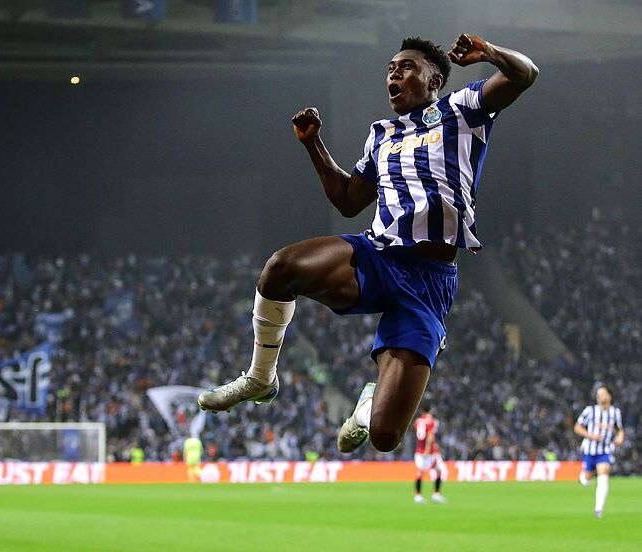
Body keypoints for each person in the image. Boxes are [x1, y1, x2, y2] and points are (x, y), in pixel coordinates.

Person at [198, 33, 538, 456]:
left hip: (428, 283)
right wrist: (313, 145)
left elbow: (525, 74)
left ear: (434, 80)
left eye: (406, 67)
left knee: (384, 436)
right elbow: (348, 201)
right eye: (390, 69)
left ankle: (366, 407)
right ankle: (260, 377)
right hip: (377, 255)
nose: (394, 74)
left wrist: (488, 53)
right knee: (280, 268)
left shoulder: (462, 108)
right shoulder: (381, 135)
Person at [574, 385, 623, 518]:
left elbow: (619, 429)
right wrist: (590, 435)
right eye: (598, 394)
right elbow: (577, 427)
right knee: (587, 477)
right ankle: (583, 478)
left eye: (602, 394)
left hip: (605, 450)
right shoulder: (590, 411)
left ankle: (598, 509)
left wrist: (620, 438)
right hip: (589, 449)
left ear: (609, 396)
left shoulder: (615, 412)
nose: (600, 396)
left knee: (604, 472)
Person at [412, 404, 446, 504]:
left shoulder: (417, 421)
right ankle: (435, 494)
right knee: (438, 471)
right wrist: (427, 449)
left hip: (418, 450)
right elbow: (430, 436)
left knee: (420, 472)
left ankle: (418, 496)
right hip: (428, 452)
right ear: (430, 411)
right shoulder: (432, 421)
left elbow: (418, 435)